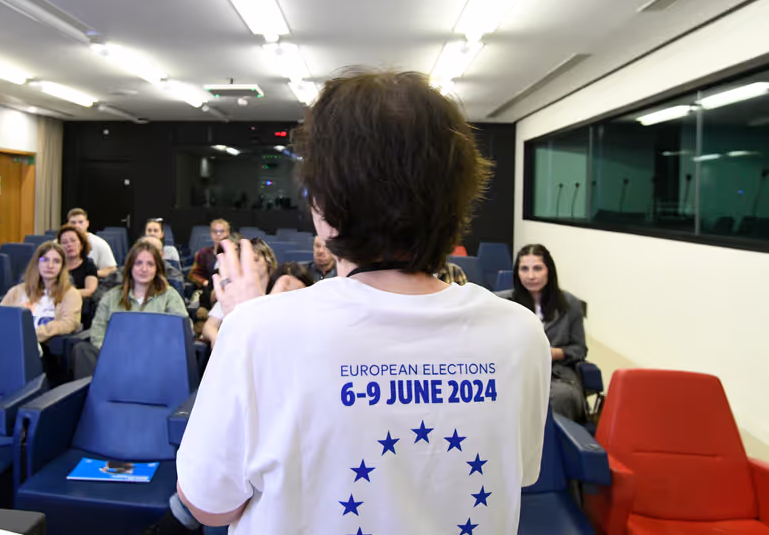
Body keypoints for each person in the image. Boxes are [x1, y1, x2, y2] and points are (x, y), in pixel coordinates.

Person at [172, 71, 551, 534]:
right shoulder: (519, 332)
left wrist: (246, 321)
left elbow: (211, 506)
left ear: (326, 204)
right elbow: (519, 474)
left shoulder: (256, 331)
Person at [71, 239, 189, 379]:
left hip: (154, 358)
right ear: (130, 267)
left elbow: (183, 330)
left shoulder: (170, 296)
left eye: (150, 264)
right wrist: (110, 351)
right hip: (114, 356)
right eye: (138, 263)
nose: (144, 269)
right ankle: (96, 396)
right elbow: (98, 332)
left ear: (157, 268)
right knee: (82, 350)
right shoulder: (111, 296)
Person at [499, 244, 587, 422]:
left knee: (561, 397)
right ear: (517, 273)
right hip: (514, 371)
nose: (531, 276)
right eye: (524, 269)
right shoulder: (502, 303)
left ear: (549, 271)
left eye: (537, 268)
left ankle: (553, 447)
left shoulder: (571, 305)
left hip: (555, 374)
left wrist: (556, 353)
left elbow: (580, 349)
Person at [200, 237, 276, 348]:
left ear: (268, 261)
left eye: (255, 260)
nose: (252, 266)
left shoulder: (279, 293)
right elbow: (209, 327)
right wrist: (215, 339)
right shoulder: (233, 294)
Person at [1, 241, 82, 345]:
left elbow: (69, 323)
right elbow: (0, 316)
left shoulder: (70, 294)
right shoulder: (17, 291)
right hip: (11, 340)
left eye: (56, 261)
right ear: (37, 263)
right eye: (44, 260)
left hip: (41, 345)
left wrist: (34, 334)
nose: (50, 265)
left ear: (62, 267)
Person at [57, 224, 99, 327]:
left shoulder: (88, 265)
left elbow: (90, 290)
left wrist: (63, 295)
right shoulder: (55, 265)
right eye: (64, 242)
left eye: (73, 241)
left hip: (78, 310)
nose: (69, 245)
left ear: (81, 244)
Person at [66, 208, 118, 278]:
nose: (76, 226)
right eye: (73, 223)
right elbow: (45, 259)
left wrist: (91, 273)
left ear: (87, 223)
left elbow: (112, 269)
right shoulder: (58, 243)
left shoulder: (99, 243)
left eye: (80, 222)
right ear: (68, 224)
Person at [186, 219, 230, 288]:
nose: (218, 234)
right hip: (208, 289)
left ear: (228, 233)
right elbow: (193, 275)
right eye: (214, 231)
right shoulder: (204, 252)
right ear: (210, 234)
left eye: (222, 231)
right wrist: (205, 282)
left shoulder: (234, 253)